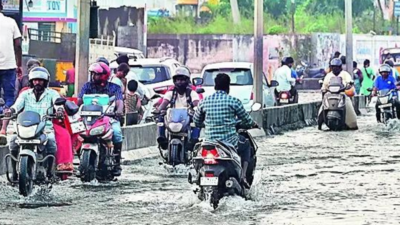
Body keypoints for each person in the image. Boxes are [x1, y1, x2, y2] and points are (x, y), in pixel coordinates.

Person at [193, 73, 258, 187]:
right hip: (229, 142)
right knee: (246, 144)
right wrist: (253, 124)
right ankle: (243, 177)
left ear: (215, 86)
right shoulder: (234, 101)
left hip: (209, 143)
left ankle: (196, 177)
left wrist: (206, 124)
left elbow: (197, 121)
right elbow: (247, 121)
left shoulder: (204, 102)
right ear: (228, 86)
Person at [5, 67, 65, 181]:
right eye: (35, 80)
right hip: (25, 127)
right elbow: (17, 105)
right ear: (31, 81)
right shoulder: (25, 94)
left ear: (45, 81)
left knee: (51, 141)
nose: (37, 82)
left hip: (45, 128)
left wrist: (59, 111)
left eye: (40, 80)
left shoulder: (52, 93)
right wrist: (11, 111)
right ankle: (14, 172)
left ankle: (50, 172)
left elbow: (58, 104)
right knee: (13, 141)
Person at [77, 62, 124, 176]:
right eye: (92, 74)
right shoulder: (87, 86)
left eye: (96, 74)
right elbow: (79, 101)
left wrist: (119, 111)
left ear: (104, 75)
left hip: (108, 118)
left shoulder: (115, 88)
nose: (94, 77)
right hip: (88, 119)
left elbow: (119, 102)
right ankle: (81, 163)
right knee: (76, 134)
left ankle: (117, 163)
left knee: (117, 134)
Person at [156, 67, 200, 151]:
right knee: (161, 117)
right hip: (173, 118)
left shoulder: (192, 93)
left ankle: (194, 139)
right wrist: (158, 110)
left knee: (198, 120)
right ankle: (162, 138)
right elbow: (164, 103)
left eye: (182, 80)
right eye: (178, 80)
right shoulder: (170, 93)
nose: (180, 82)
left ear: (187, 81)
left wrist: (197, 109)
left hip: (187, 117)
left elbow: (196, 103)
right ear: (174, 81)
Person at [319, 58, 358, 130]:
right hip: (330, 95)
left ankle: (352, 123)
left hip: (342, 94)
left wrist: (348, 85)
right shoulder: (328, 76)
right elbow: (324, 86)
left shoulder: (345, 74)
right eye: (333, 67)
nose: (335, 68)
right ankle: (320, 122)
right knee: (322, 107)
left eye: (337, 67)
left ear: (340, 67)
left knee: (348, 104)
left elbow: (349, 83)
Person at [0, 2, 22, 114]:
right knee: (9, 97)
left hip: (9, 66)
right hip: (9, 66)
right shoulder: (11, 22)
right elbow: (18, 45)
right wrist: (19, 65)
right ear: (1, 7)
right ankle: (4, 117)